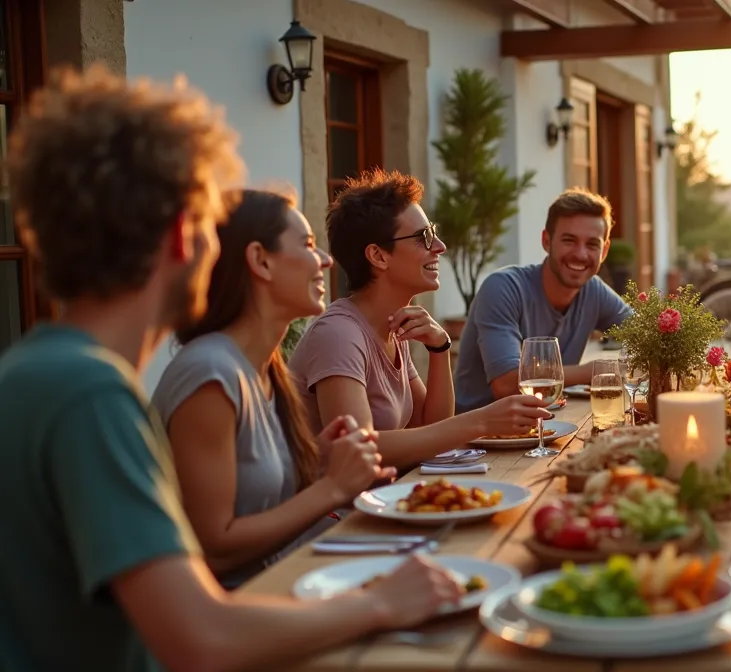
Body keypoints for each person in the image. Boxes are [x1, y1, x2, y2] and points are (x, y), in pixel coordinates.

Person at [0, 66, 463, 672]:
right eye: (207, 225)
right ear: (178, 235)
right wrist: (380, 603)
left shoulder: (43, 371)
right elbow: (200, 637)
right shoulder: (90, 391)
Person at [152, 189, 391, 589]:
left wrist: (317, 467)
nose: (326, 260)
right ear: (260, 260)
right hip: (238, 617)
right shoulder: (209, 375)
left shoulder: (266, 369)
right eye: (309, 245)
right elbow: (213, 549)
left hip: (286, 581)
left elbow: (255, 498)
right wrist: (331, 489)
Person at [289, 169, 550, 468]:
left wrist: (439, 349)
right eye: (424, 237)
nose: (439, 247)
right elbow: (356, 449)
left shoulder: (392, 326)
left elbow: (430, 428)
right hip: (337, 513)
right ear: (378, 256)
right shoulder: (338, 334)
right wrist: (482, 421)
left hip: (386, 497)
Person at [454, 188, 633, 413]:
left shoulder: (593, 290)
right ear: (546, 241)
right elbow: (507, 384)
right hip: (476, 439)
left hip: (545, 427)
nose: (580, 254)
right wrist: (597, 370)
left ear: (604, 250)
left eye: (592, 244)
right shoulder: (503, 287)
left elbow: (645, 335)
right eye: (569, 240)